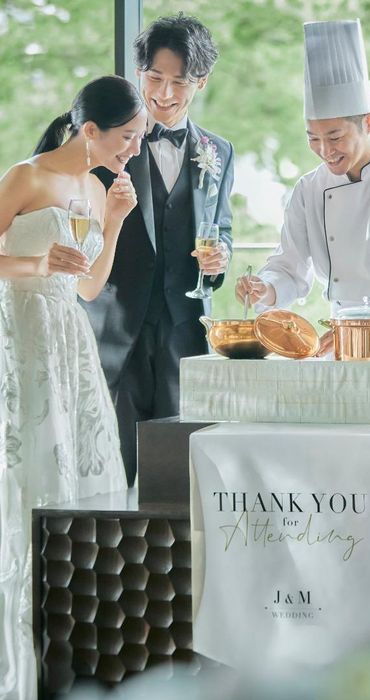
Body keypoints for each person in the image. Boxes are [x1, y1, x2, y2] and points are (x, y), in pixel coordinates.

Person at [0, 75, 145, 700]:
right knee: (27, 469)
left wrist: (114, 221)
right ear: (90, 130)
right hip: (21, 334)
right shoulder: (26, 177)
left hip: (69, 341)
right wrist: (36, 263)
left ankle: (67, 646)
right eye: (127, 137)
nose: (134, 149)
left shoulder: (96, 187)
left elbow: (88, 286)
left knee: (76, 473)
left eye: (140, 138)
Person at [82, 14, 235, 485]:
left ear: (201, 82)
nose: (164, 94)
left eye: (179, 82)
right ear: (138, 74)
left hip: (184, 333)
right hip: (116, 328)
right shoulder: (103, 142)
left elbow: (222, 228)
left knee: (179, 472)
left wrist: (220, 258)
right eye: (154, 78)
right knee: (114, 469)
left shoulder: (219, 151)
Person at [235, 19, 370, 355]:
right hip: (343, 340)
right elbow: (290, 266)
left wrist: (361, 326)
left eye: (335, 137)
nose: (325, 150)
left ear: (369, 122)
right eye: (313, 139)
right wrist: (266, 287)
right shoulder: (309, 189)